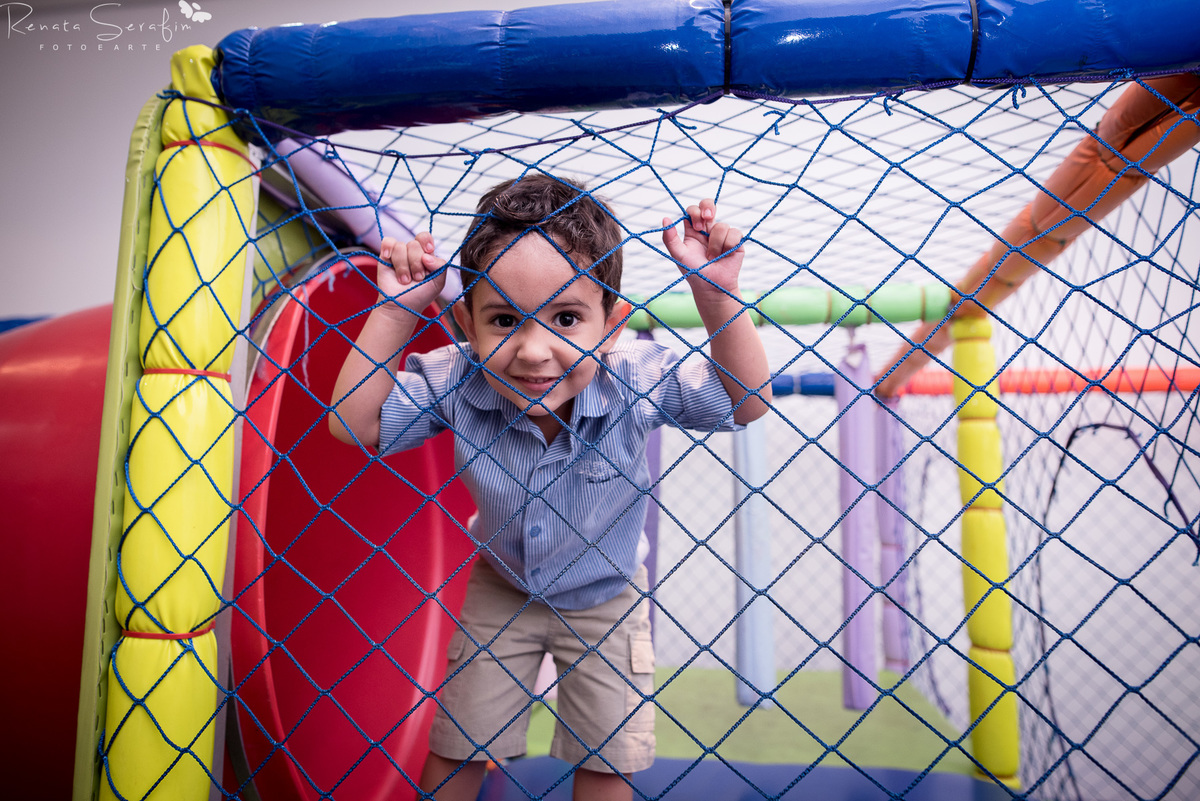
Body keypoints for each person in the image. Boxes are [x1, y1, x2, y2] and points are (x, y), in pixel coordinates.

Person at [329, 174, 771, 801]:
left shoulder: (633, 377)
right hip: (500, 590)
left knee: (607, 757)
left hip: (606, 597)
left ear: (612, 325)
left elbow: (748, 401)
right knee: (459, 744)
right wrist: (396, 311)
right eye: (505, 319)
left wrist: (717, 295)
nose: (535, 352)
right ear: (465, 324)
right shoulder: (456, 379)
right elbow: (351, 423)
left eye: (566, 317)